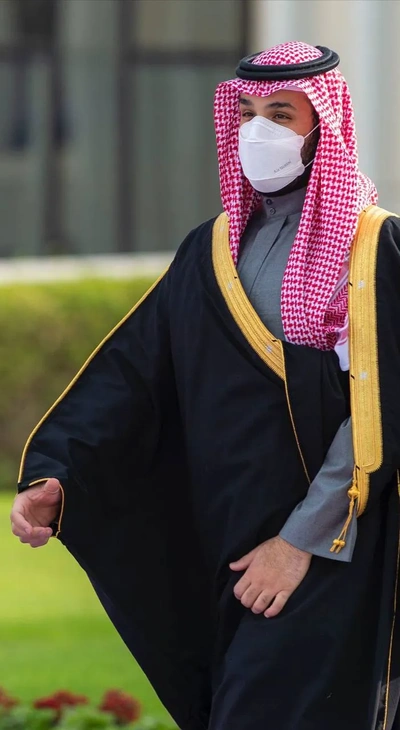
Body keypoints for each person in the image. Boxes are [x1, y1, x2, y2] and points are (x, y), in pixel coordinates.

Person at [10, 41, 400, 730]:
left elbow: (379, 409)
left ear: (325, 126)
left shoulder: (375, 249)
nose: (258, 130)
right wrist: (62, 473)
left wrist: (300, 542)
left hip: (327, 551)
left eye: (281, 114)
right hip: (225, 544)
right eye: (246, 113)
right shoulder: (210, 248)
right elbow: (135, 373)